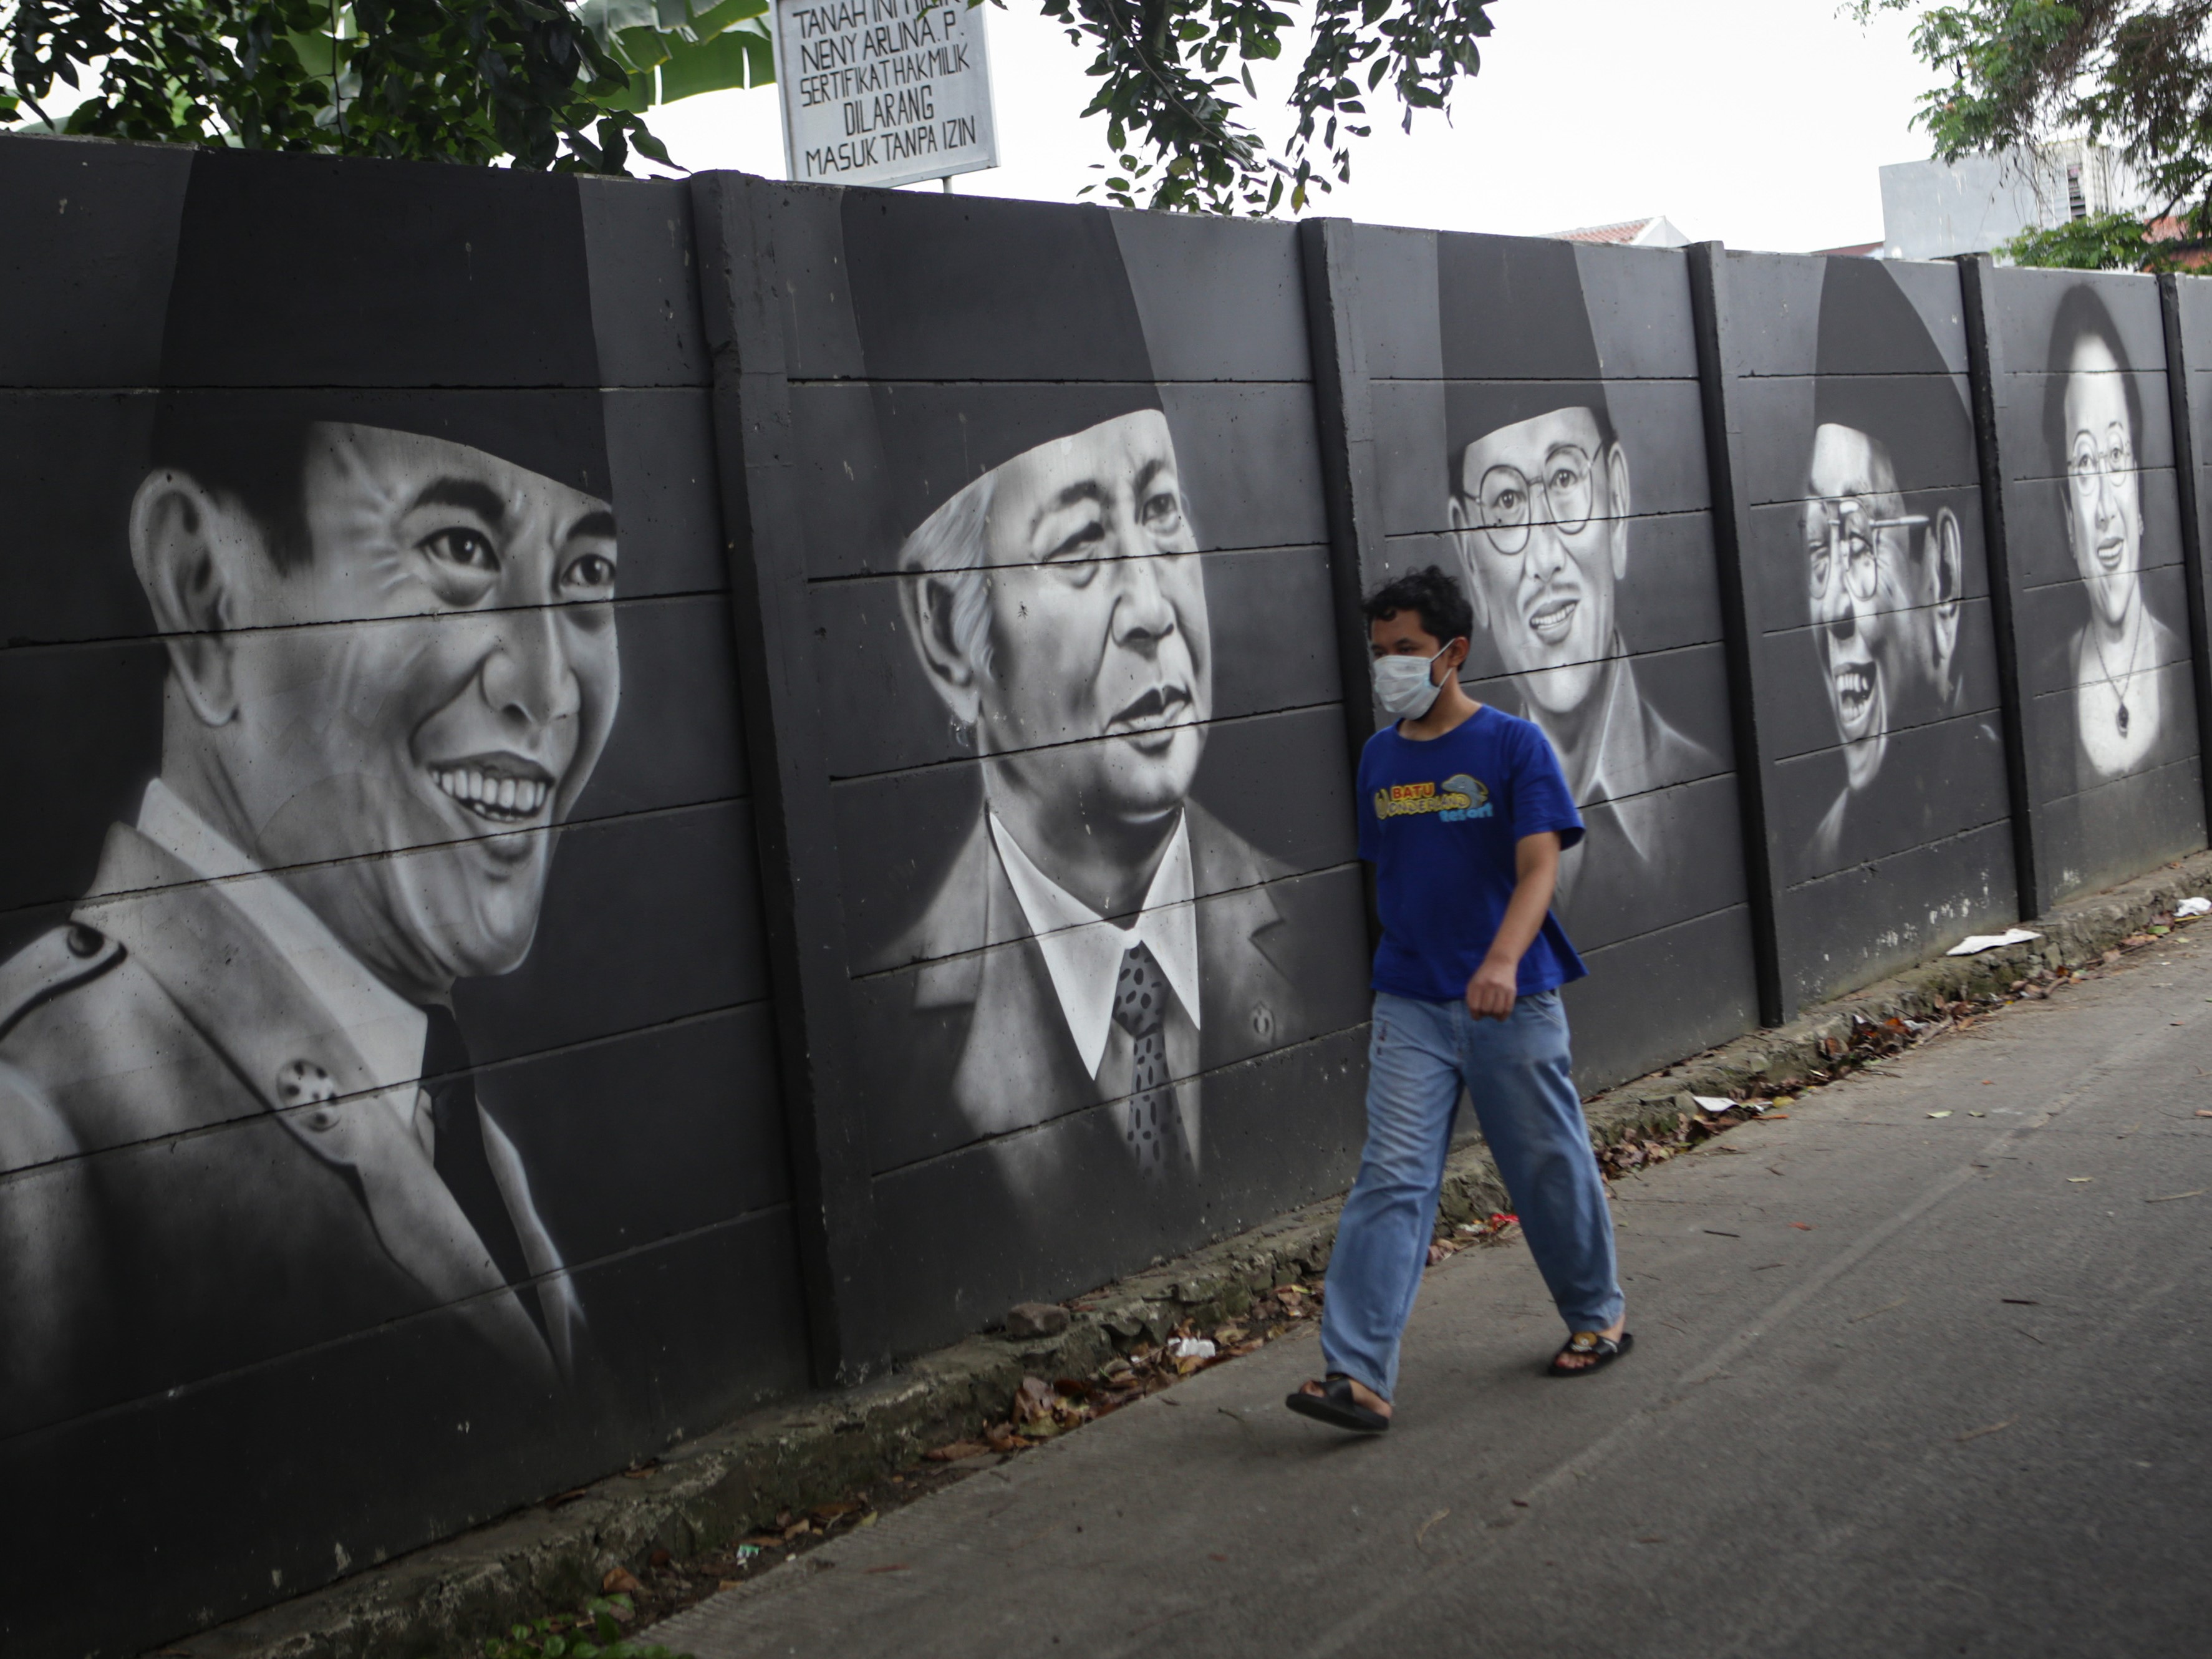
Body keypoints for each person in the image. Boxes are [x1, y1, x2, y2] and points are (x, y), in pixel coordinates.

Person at [0, 410, 619, 1431]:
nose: (548, 690)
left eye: (588, 573)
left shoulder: (445, 1118)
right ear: (208, 593)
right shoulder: (34, 1141)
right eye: (458, 549)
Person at [877, 407, 1310, 1192]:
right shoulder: (883, 1051)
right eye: (1079, 544)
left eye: (1160, 511)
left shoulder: (1322, 927)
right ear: (946, 630)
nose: (1151, 607)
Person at [1287, 566, 1627, 1434]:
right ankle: (1356, 1376)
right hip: (1409, 1000)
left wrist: (1503, 961)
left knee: (1544, 1164)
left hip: (1509, 999)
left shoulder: (1513, 747)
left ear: (1452, 653)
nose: (1389, 667)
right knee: (1391, 1179)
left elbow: (1539, 866)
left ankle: (1597, 1314)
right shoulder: (1377, 757)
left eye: (1405, 650)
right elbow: (1393, 873)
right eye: (1378, 653)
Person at [1449, 396, 1719, 924]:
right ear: (1470, 560)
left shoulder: (1706, 804)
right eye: (1505, 501)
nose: (1545, 560)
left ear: (1616, 503)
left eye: (1565, 481)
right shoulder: (1461, 823)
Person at [1800, 258, 1971, 868]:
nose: (1834, 608)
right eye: (1820, 547)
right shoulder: (1818, 859)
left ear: (1943, 577)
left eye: (1860, 541)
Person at [2047, 282, 2183, 788]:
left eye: (2116, 456)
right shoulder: (2044, 695)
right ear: (2065, 512)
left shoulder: (2190, 662)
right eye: (2084, 464)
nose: (2105, 508)